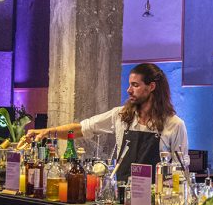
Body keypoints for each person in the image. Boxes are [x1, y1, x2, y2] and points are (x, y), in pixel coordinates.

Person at [22, 63, 188, 182]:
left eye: (135, 85)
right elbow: (82, 128)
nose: (129, 90)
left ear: (151, 87)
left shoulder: (174, 125)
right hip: (123, 198)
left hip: (155, 202)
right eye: (129, 85)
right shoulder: (121, 115)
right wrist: (47, 132)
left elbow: (180, 171)